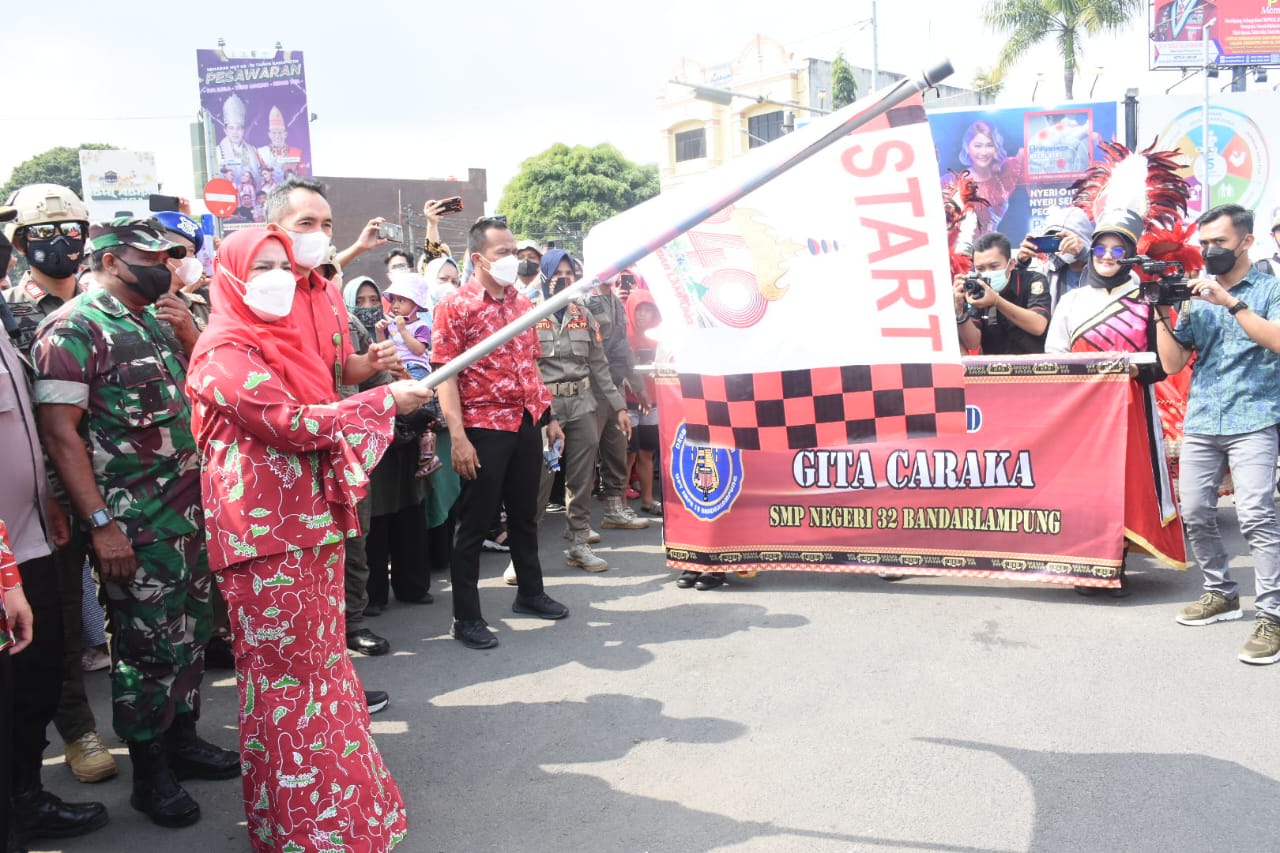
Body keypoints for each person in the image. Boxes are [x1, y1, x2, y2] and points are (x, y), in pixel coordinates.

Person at [188, 227, 423, 850]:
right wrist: (382, 403)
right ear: (230, 274)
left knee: (319, 676)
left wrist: (372, 390)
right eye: (260, 265)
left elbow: (318, 405)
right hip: (264, 543)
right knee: (289, 684)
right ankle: (308, 829)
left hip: (307, 529)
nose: (276, 276)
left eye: (283, 266)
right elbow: (287, 423)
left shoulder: (283, 341)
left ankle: (339, 818)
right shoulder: (222, 350)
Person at [32, 218, 238, 828]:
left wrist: (190, 334)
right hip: (133, 523)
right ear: (112, 261)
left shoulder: (154, 320)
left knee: (192, 635)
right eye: (155, 257)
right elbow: (58, 435)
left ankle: (184, 741)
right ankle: (151, 772)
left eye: (171, 256)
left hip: (189, 513)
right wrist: (101, 524)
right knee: (146, 648)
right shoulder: (73, 328)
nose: (169, 266)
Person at [2, 184, 116, 785]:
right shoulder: (12, 316)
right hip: (51, 501)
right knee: (65, 620)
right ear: (20, 245)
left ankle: (145, 715)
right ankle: (78, 729)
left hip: (120, 485)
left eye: (73, 230)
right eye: (45, 233)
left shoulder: (106, 307)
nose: (62, 244)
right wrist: (49, 496)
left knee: (129, 604)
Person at [432, 217, 569, 649]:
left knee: (526, 515)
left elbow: (530, 365)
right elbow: (445, 376)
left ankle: (530, 592)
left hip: (525, 421)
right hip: (483, 428)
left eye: (515, 252)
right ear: (478, 258)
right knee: (474, 524)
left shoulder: (521, 304)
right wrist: (458, 436)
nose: (514, 260)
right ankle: (466, 617)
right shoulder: (455, 306)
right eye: (503, 253)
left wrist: (547, 417)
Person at [1156, 204, 1280, 665]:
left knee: (1255, 516)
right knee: (1194, 512)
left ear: (1246, 242)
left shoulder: (1270, 289)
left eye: (1219, 243)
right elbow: (1171, 363)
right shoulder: (1192, 295)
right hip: (1204, 418)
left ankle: (1272, 613)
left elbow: (1276, 339)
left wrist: (1230, 302)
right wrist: (1160, 312)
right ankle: (1221, 593)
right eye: (1204, 242)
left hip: (1255, 417)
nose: (1209, 250)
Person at [1045, 208, 1187, 590]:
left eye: (1117, 249)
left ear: (1128, 255)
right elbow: (1054, 354)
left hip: (1130, 406)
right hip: (1081, 409)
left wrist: (1141, 372)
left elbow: (1164, 360)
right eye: (1101, 249)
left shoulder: (1147, 297)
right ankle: (1084, 557)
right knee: (1083, 483)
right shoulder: (1071, 301)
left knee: (1123, 483)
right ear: (1090, 253)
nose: (1108, 256)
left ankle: (1112, 559)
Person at [533, 250, 633, 571]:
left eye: (569, 273)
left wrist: (618, 407)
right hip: (547, 408)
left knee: (581, 479)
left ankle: (578, 544)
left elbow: (600, 366)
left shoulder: (583, 315)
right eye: (558, 273)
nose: (564, 278)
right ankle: (526, 556)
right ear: (545, 276)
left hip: (582, 404)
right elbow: (527, 367)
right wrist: (544, 412)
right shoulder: (530, 316)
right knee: (540, 481)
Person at [954, 231, 1051, 354]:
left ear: (1011, 264)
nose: (987, 273)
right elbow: (972, 343)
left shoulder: (1033, 280)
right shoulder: (976, 289)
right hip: (994, 369)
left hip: (1035, 368)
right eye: (980, 269)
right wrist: (960, 310)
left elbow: (1038, 326)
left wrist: (996, 301)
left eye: (994, 266)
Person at [943, 121, 1025, 238]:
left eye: (989, 145)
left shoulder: (1004, 176)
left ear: (996, 148)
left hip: (992, 248)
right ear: (967, 147)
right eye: (978, 146)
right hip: (959, 251)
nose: (984, 152)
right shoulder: (951, 182)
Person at [625, 289, 663, 516]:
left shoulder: (661, 336)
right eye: (639, 310)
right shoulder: (622, 335)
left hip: (653, 402)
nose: (642, 315)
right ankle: (620, 506)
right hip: (628, 402)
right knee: (627, 455)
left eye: (648, 310)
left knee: (647, 452)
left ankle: (648, 499)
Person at [1015, 206, 1094, 310]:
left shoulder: (1104, 268)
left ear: (1082, 237)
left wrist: (1085, 253)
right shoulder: (1046, 273)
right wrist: (1021, 264)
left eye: (1065, 239)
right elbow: (1015, 298)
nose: (1062, 245)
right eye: (1055, 239)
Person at [215, 94, 263, 189]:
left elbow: (259, 176)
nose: (235, 132)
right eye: (231, 128)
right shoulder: (218, 151)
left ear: (243, 130)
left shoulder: (252, 150)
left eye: (238, 128)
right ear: (225, 130)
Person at [256, 106, 307, 179]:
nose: (277, 136)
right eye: (274, 133)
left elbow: (302, 176)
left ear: (285, 134)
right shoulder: (261, 153)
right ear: (269, 135)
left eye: (280, 132)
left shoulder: (297, 153)